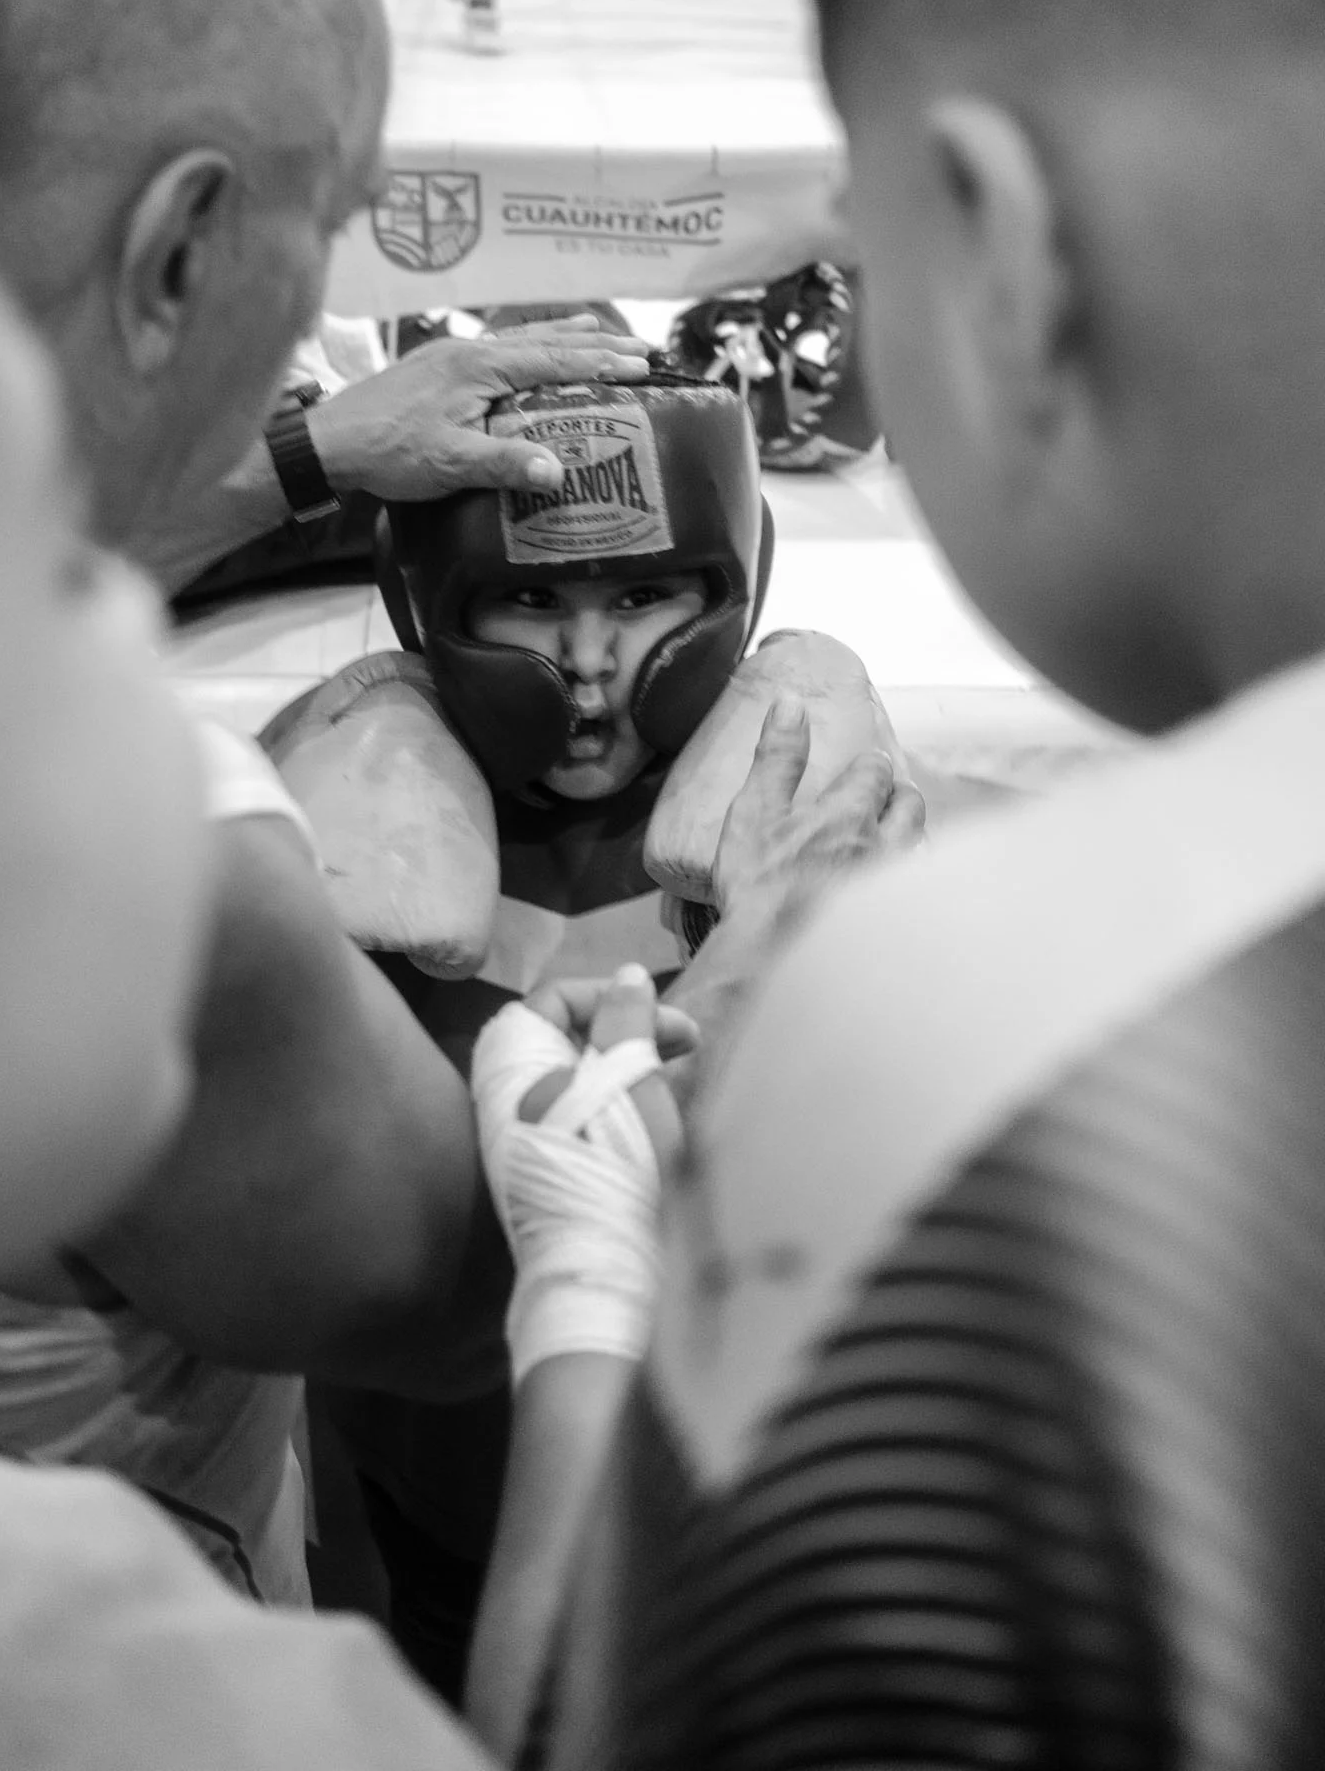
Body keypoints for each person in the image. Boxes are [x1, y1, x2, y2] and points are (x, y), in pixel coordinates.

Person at [497, 0, 1325, 1765]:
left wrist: (588, 1297)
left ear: (1001, 252)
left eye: (866, 259)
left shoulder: (991, 1040)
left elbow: (593, 1720)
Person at [0, 0, 659, 1606]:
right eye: (336, 223)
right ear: (181, 249)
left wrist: (305, 456)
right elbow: (454, 1302)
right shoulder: (138, 851)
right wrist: (638, 1113)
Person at [267, 368, 924, 1693]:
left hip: (721, 1473)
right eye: (528, 599)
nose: (585, 665)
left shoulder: (808, 817)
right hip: (439, 1463)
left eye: (641, 598)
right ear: (420, 599)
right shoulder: (334, 825)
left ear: (741, 580)